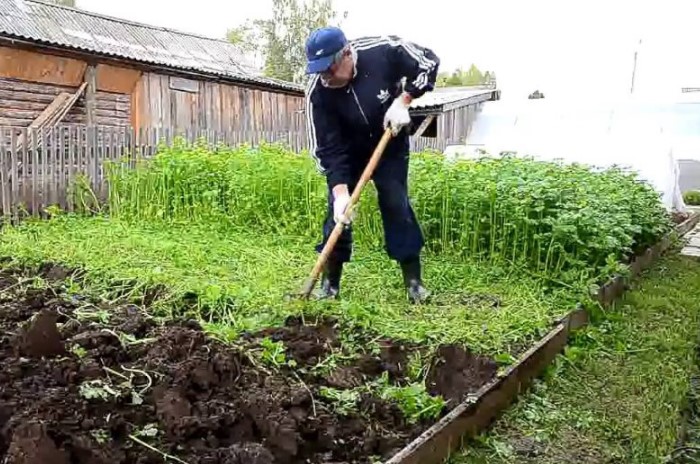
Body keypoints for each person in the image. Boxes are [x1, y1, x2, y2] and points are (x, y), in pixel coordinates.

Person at [303, 26, 440, 304]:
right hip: (348, 153)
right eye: (318, 71)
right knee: (337, 213)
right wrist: (341, 194)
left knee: (395, 202)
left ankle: (414, 282)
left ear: (347, 54)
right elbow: (327, 148)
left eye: (328, 69)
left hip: (389, 141)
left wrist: (404, 101)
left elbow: (429, 62)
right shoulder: (318, 94)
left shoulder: (383, 51)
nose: (324, 77)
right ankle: (330, 284)